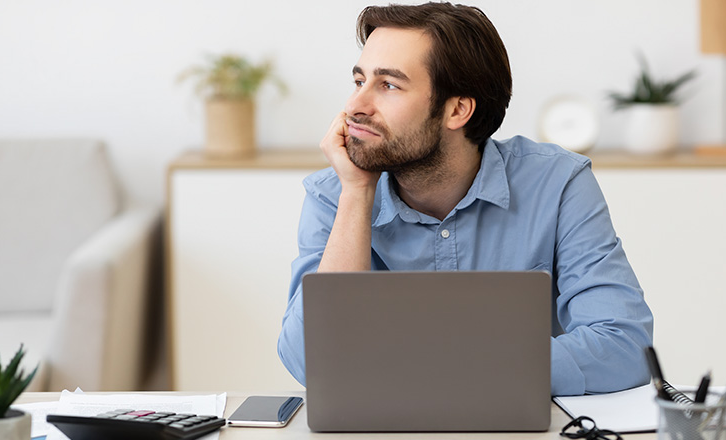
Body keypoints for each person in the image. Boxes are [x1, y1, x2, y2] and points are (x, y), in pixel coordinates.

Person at [277, 2, 653, 396]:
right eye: (359, 82)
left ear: (457, 110)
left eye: (388, 85)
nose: (354, 107)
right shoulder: (334, 193)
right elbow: (309, 360)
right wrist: (357, 193)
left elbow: (624, 346)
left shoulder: (557, 183)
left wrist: (436, 368)